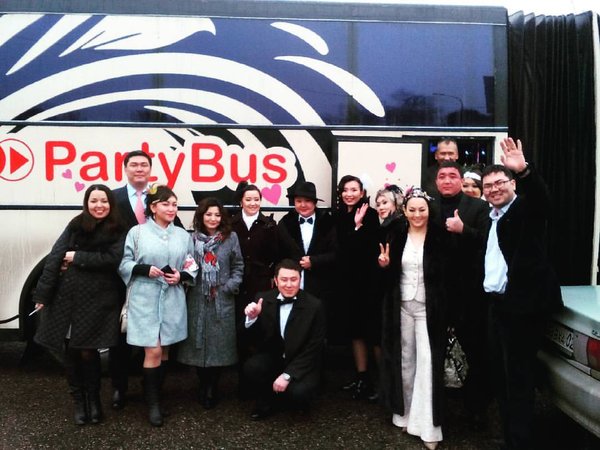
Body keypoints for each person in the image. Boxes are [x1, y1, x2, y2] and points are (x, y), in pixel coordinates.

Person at [481, 138, 563, 450]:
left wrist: (524, 170)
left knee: (518, 382)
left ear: (513, 183)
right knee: (501, 379)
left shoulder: (525, 210)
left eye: (499, 182)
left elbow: (543, 202)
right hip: (497, 307)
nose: (493, 189)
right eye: (488, 186)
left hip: (520, 309)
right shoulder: (492, 217)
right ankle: (510, 438)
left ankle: (520, 442)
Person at [33, 184, 126, 425]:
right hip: (68, 297)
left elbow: (112, 259)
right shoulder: (76, 224)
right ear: (86, 203)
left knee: (88, 350)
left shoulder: (118, 228)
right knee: (71, 351)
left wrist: (76, 256)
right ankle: (78, 401)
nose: (99, 206)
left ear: (110, 203)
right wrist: (42, 295)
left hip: (99, 300)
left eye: (104, 201)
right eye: (93, 201)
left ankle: (94, 400)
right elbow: (56, 256)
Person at [118, 184, 198, 427]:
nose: (171, 208)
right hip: (145, 297)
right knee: (152, 350)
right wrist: (143, 269)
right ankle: (152, 405)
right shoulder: (137, 233)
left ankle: (155, 393)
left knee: (164, 351)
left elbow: (192, 264)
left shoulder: (183, 235)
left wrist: (181, 276)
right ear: (153, 207)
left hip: (172, 297)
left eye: (174, 204)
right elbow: (124, 263)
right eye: (166, 204)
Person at [110, 150, 184, 410]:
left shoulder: (160, 197)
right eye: (134, 164)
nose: (139, 169)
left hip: (159, 286)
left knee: (159, 345)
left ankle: (151, 390)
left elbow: (178, 238)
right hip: (120, 278)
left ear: (150, 169)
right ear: (125, 169)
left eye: (144, 165)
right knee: (120, 336)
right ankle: (119, 388)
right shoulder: (113, 198)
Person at [379, 187, 448, 450]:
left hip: (430, 308)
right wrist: (385, 266)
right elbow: (388, 277)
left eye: (422, 210)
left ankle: (428, 425)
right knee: (405, 360)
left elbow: (450, 275)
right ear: (405, 212)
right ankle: (405, 413)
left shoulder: (440, 237)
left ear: (429, 210)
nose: (417, 215)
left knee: (428, 362)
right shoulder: (396, 235)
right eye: (412, 210)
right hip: (402, 305)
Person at [430, 160, 492, 429]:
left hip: (469, 294)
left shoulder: (478, 207)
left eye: (452, 176)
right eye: (442, 176)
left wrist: (463, 230)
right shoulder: (428, 207)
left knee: (475, 351)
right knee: (436, 351)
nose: (447, 180)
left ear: (460, 179)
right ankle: (437, 410)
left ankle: (475, 408)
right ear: (436, 181)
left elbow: (489, 242)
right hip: (436, 293)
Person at [177, 197, 244, 410]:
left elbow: (238, 265)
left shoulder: (231, 238)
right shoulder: (192, 239)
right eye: (208, 214)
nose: (213, 218)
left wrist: (230, 286)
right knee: (198, 345)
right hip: (197, 297)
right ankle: (202, 383)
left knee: (219, 345)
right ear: (201, 216)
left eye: (217, 214)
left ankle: (213, 386)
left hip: (222, 297)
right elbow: (186, 265)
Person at [243, 259, 326, 420]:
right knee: (253, 367)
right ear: (276, 281)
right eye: (284, 279)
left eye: (293, 279)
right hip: (275, 357)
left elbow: (314, 347)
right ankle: (266, 402)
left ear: (300, 280)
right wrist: (252, 318)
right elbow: (252, 339)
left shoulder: (315, 306)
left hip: (302, 362)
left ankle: (297, 403)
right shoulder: (263, 299)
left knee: (299, 392)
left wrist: (288, 375)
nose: (289, 284)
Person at [230, 182, 279, 397]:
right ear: (241, 201)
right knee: (240, 330)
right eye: (248, 199)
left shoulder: (269, 225)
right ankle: (242, 382)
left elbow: (277, 254)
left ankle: (260, 383)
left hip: (261, 284)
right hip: (238, 284)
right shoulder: (231, 224)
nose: (253, 203)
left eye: (256, 199)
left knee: (261, 331)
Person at [334, 175, 380, 400]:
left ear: (362, 193)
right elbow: (340, 250)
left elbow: (368, 249)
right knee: (355, 332)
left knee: (374, 333)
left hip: (369, 283)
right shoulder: (339, 215)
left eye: (354, 190)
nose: (349, 194)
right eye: (345, 190)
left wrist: (358, 226)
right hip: (348, 283)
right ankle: (362, 377)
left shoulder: (371, 215)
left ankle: (382, 381)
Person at [277, 181, 336, 337]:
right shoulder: (285, 223)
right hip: (291, 285)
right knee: (293, 327)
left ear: (315, 203)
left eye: (307, 201)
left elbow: (336, 254)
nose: (303, 205)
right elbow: (279, 254)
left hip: (320, 285)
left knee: (317, 328)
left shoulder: (328, 222)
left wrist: (314, 261)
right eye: (299, 201)